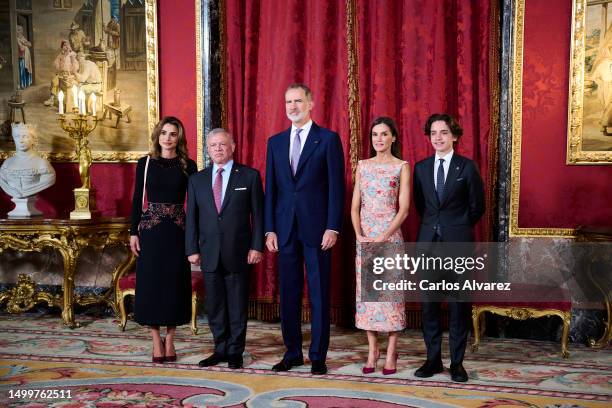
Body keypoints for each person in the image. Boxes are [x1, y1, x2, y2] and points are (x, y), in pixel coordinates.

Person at [264, 83, 345, 375]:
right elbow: (271, 190)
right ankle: (292, 352)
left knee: (319, 294)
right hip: (284, 230)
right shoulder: (275, 142)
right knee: (288, 294)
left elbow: (337, 188)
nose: (293, 107)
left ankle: (318, 356)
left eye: (298, 101)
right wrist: (269, 229)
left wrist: (333, 227)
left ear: (311, 103)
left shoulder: (327, 139)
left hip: (317, 230)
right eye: (288, 102)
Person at [412, 113, 485, 383]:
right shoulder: (421, 168)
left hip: (458, 246)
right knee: (429, 306)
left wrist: (456, 228)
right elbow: (422, 206)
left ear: (454, 135)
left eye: (443, 132)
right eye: (433, 133)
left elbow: (477, 206)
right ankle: (432, 360)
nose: (438, 137)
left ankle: (457, 363)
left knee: (458, 307)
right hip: (428, 246)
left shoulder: (467, 167)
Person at [186, 128, 264, 370]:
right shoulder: (197, 180)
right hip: (208, 253)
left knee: (237, 305)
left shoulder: (249, 176)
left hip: (239, 252)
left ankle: (235, 351)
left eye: (222, 144)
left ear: (233, 146)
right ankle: (220, 348)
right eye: (213, 145)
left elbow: (259, 217)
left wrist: (256, 246)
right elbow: (192, 219)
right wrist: (192, 249)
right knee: (215, 305)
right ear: (207, 150)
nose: (218, 149)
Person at [129, 116, 197, 363]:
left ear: (179, 138)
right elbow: (137, 199)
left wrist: (196, 236)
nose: (167, 138)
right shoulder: (145, 163)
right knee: (152, 285)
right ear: (158, 136)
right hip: (151, 232)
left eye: (173, 134)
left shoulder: (188, 165)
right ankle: (156, 340)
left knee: (174, 286)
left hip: (178, 232)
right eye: (164, 133)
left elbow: (196, 203)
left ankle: (171, 339)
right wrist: (133, 233)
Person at [351, 117, 410, 375]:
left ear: (393, 138)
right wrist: (360, 236)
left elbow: (404, 209)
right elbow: (355, 207)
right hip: (365, 240)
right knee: (369, 298)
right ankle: (372, 349)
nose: (379, 139)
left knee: (391, 297)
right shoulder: (362, 166)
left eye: (384, 134)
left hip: (390, 239)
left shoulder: (402, 167)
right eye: (375, 134)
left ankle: (391, 351)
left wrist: (384, 236)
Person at [0, 123, 55, 199]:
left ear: (33, 139)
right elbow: (2, 181)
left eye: (25, 136)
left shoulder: (41, 164)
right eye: (17, 136)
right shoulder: (7, 164)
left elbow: (49, 180)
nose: (21, 140)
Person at [43, 41, 79, 107]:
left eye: (67, 45)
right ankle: (52, 98)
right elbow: (55, 64)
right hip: (61, 74)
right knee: (54, 81)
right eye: (64, 46)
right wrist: (59, 65)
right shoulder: (61, 55)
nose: (65, 47)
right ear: (62, 47)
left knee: (66, 81)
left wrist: (72, 59)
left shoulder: (72, 55)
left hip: (70, 75)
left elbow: (75, 66)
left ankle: (66, 101)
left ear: (69, 47)